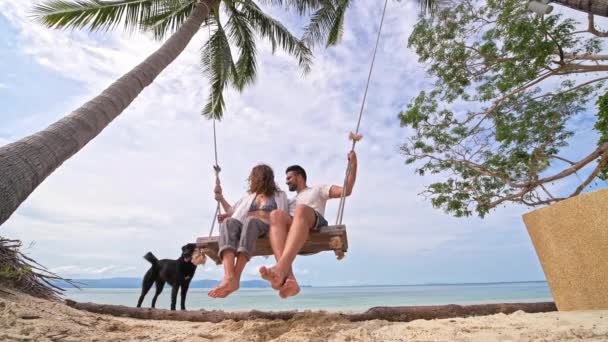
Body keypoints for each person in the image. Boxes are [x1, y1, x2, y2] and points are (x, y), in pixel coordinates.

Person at [260, 149, 359, 298]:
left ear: (300, 177)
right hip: (295, 237)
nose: (286, 181)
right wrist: (221, 198)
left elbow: (347, 190)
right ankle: (290, 279)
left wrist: (354, 164)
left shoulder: (318, 189)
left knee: (300, 210)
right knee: (276, 214)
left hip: (315, 224)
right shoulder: (289, 201)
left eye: (289, 178)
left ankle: (280, 268)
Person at [208, 164, 288, 298]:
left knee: (251, 221)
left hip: (266, 228)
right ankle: (229, 277)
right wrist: (220, 197)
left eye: (254, 177)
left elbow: (282, 215)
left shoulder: (279, 195)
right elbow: (231, 211)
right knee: (228, 222)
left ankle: (236, 278)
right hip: (246, 227)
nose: (251, 180)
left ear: (263, 177)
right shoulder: (249, 196)